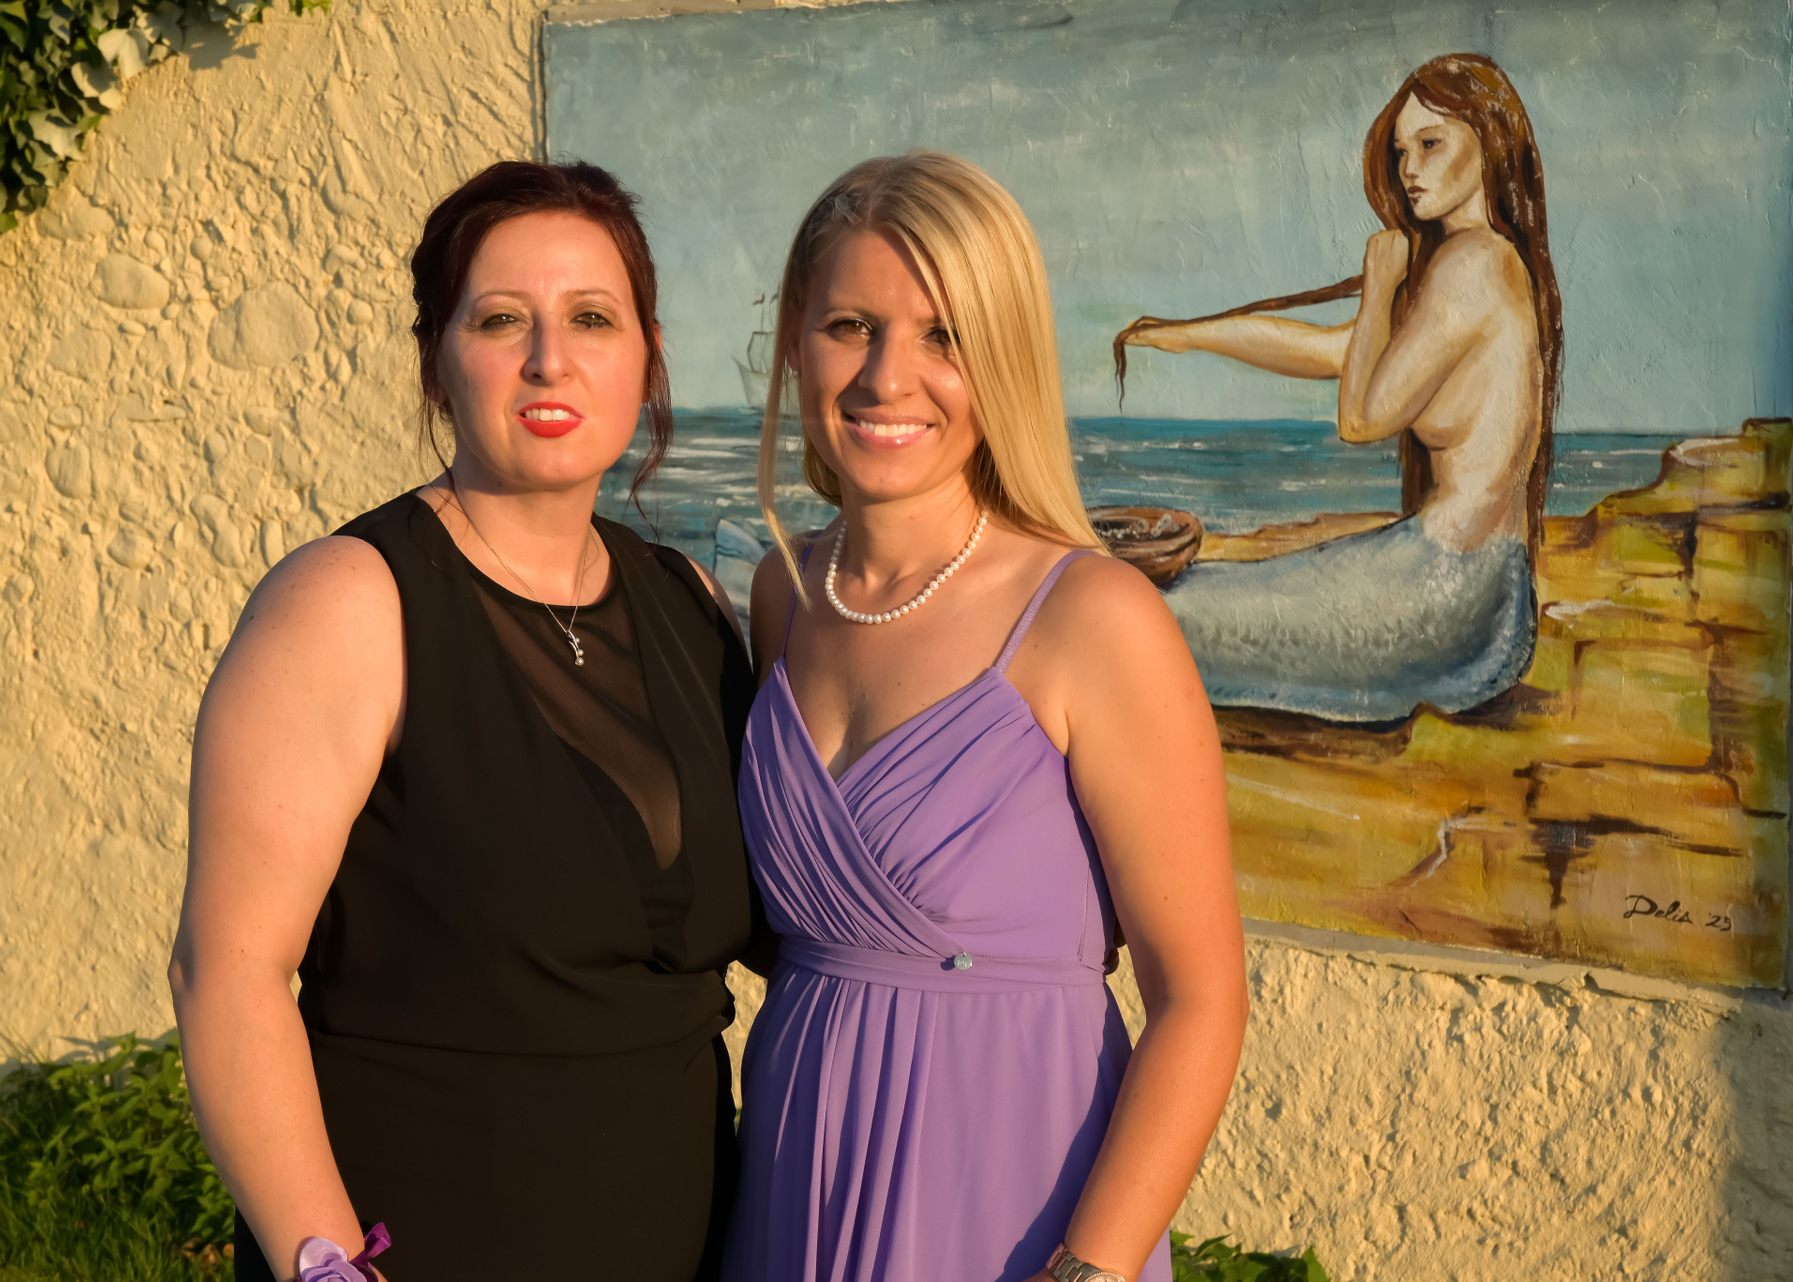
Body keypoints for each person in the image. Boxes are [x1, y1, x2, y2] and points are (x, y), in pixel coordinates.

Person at [169, 161, 759, 1281]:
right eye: (500, 320)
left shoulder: (687, 603)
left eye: (592, 318)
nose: (550, 359)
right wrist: (330, 1266)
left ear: (647, 355)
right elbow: (226, 975)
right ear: (436, 362)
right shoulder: (348, 603)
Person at [723, 151, 1248, 1282]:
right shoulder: (784, 595)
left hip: (1012, 1202)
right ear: (797, 341)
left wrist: (1089, 1269)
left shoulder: (1092, 618)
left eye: (944, 336)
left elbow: (1201, 1000)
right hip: (793, 1180)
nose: (887, 378)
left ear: (1003, 358)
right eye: (851, 326)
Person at [1115, 53, 1562, 723]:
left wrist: (1380, 283)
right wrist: (1187, 335)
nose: (1409, 169)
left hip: (1449, 601)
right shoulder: (1489, 266)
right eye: (1402, 151)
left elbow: (1361, 418)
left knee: (1149, 618)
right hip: (1484, 603)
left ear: (1489, 144)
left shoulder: (1472, 266)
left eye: (1431, 144)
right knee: (1184, 601)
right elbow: (1336, 351)